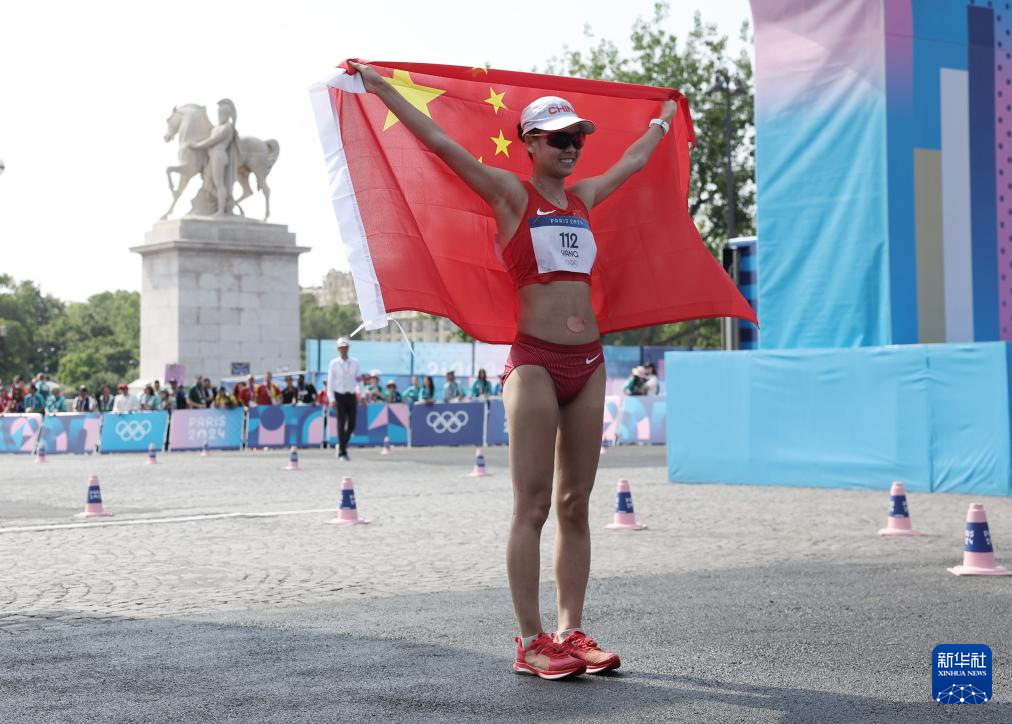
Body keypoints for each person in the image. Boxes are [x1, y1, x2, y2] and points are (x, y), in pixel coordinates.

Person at [354, 60, 676, 678]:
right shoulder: (510, 194)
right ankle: (530, 642)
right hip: (534, 364)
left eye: (577, 137)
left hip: (589, 362)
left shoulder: (583, 198)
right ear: (529, 142)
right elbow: (441, 143)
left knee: (576, 503)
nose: (571, 147)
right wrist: (382, 88)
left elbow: (633, 163)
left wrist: (663, 120)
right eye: (558, 138)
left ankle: (570, 631)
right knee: (533, 506)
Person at [327, 337, 361, 461]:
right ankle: (342, 452)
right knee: (341, 423)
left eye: (345, 347)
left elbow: (359, 379)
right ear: (338, 349)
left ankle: (341, 444)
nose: (343, 349)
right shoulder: (334, 363)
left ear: (348, 348)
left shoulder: (355, 362)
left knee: (352, 424)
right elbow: (330, 382)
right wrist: (331, 398)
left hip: (351, 395)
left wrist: (361, 394)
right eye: (341, 347)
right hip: (339, 395)